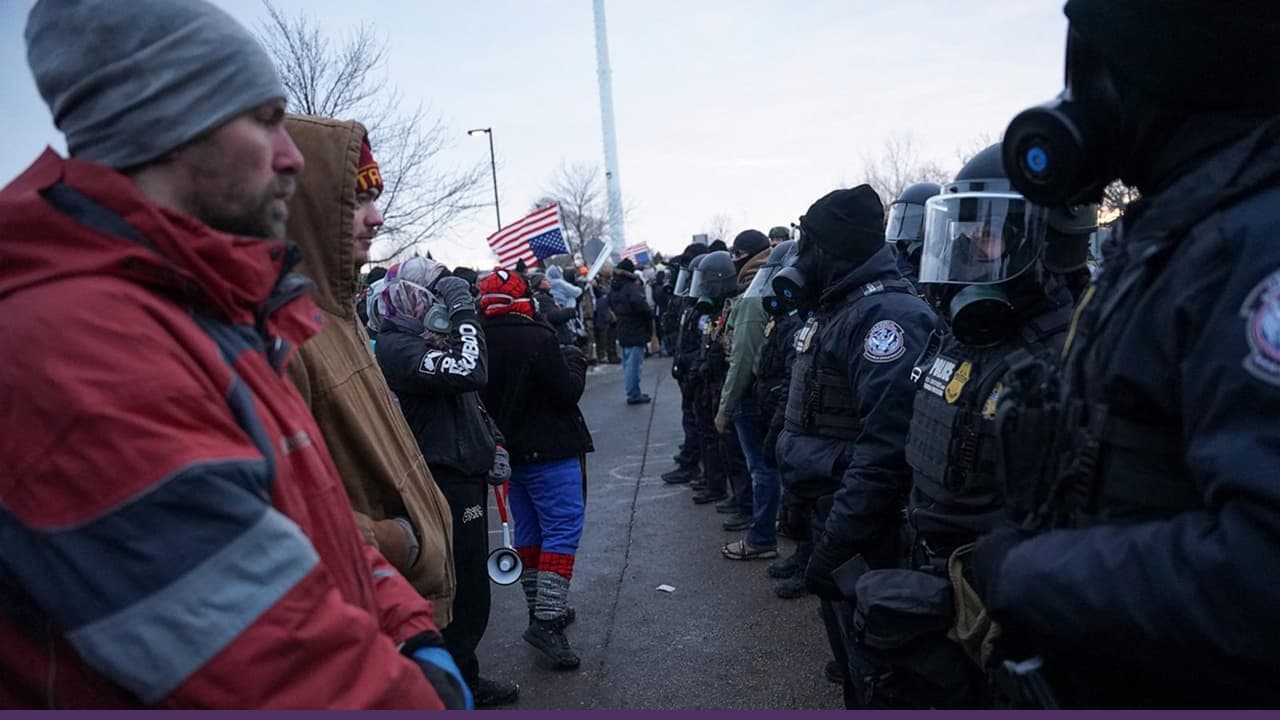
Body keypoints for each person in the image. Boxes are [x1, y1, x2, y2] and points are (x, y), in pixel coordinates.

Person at [0, 0, 467, 708]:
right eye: (264, 119)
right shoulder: (79, 347)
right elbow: (282, 673)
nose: (291, 158)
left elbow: (315, 529)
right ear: (168, 124)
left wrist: (410, 629)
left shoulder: (214, 310)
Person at [967, 0, 1280, 707]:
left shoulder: (1253, 247)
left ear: (1157, 70)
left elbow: (1263, 574)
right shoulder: (1189, 231)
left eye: (1089, 74)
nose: (1072, 103)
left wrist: (1027, 573)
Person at [849, 145, 1086, 709]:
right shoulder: (967, 334)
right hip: (939, 587)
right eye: (962, 233)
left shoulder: (1069, 358)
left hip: (1001, 612)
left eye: (987, 235)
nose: (967, 250)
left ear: (1046, 242)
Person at [281, 116, 456, 634]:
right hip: (362, 625)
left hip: (400, 610)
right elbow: (281, 521)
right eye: (356, 201)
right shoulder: (288, 338)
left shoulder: (339, 316)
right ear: (306, 207)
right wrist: (403, 540)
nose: (377, 219)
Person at [772, 185, 936, 708]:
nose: (800, 259)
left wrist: (834, 547)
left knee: (882, 677)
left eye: (808, 246)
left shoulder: (887, 318)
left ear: (833, 250)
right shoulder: (837, 310)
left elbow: (884, 455)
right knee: (853, 669)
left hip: (870, 534)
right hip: (835, 516)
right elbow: (810, 419)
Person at [370, 257, 519, 706]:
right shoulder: (397, 346)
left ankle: (461, 673)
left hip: (464, 470)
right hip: (441, 477)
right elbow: (469, 371)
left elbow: (468, 399)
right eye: (429, 295)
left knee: (472, 584)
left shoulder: (424, 338)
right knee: (460, 586)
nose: (435, 304)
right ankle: (453, 683)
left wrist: (493, 443)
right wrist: (463, 313)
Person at [477, 269, 594, 670]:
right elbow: (566, 393)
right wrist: (575, 362)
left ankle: (541, 609)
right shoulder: (537, 336)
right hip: (551, 452)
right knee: (562, 529)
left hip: (508, 454)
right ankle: (547, 619)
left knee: (529, 533)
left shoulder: (478, 339)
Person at [717, 230, 783, 560]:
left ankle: (761, 538)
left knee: (761, 468)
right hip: (771, 393)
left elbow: (742, 359)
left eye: (736, 254)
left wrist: (724, 409)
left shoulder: (754, 295)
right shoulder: (772, 282)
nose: (732, 261)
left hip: (752, 396)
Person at [690, 250, 753, 519]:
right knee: (725, 446)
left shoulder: (737, 305)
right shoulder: (719, 307)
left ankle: (746, 503)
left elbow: (737, 353)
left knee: (740, 452)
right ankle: (737, 497)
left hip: (730, 386)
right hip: (713, 385)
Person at [662, 245, 710, 485]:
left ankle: (696, 466)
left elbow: (705, 342)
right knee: (692, 418)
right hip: (687, 366)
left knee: (699, 422)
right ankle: (696, 464)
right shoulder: (689, 301)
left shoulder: (705, 303)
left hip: (697, 371)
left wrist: (690, 365)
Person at [611, 257, 653, 404]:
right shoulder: (631, 287)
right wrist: (648, 314)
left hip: (622, 327)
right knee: (634, 365)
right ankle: (633, 394)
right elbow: (639, 304)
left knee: (627, 364)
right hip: (635, 327)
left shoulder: (615, 287)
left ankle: (633, 392)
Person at [884, 182, 941, 287]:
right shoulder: (897, 259)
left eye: (914, 223)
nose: (905, 235)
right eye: (904, 222)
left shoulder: (944, 266)